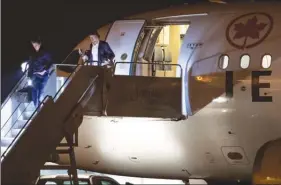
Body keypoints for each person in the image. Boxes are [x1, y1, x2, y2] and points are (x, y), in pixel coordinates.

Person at [27, 36, 53, 107]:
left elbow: (50, 63)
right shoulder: (32, 54)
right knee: (34, 93)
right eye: (33, 46)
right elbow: (31, 65)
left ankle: (40, 110)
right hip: (35, 76)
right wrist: (29, 76)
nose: (35, 47)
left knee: (40, 93)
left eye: (36, 45)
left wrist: (45, 70)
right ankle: (37, 110)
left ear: (40, 44)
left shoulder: (45, 53)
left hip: (43, 76)